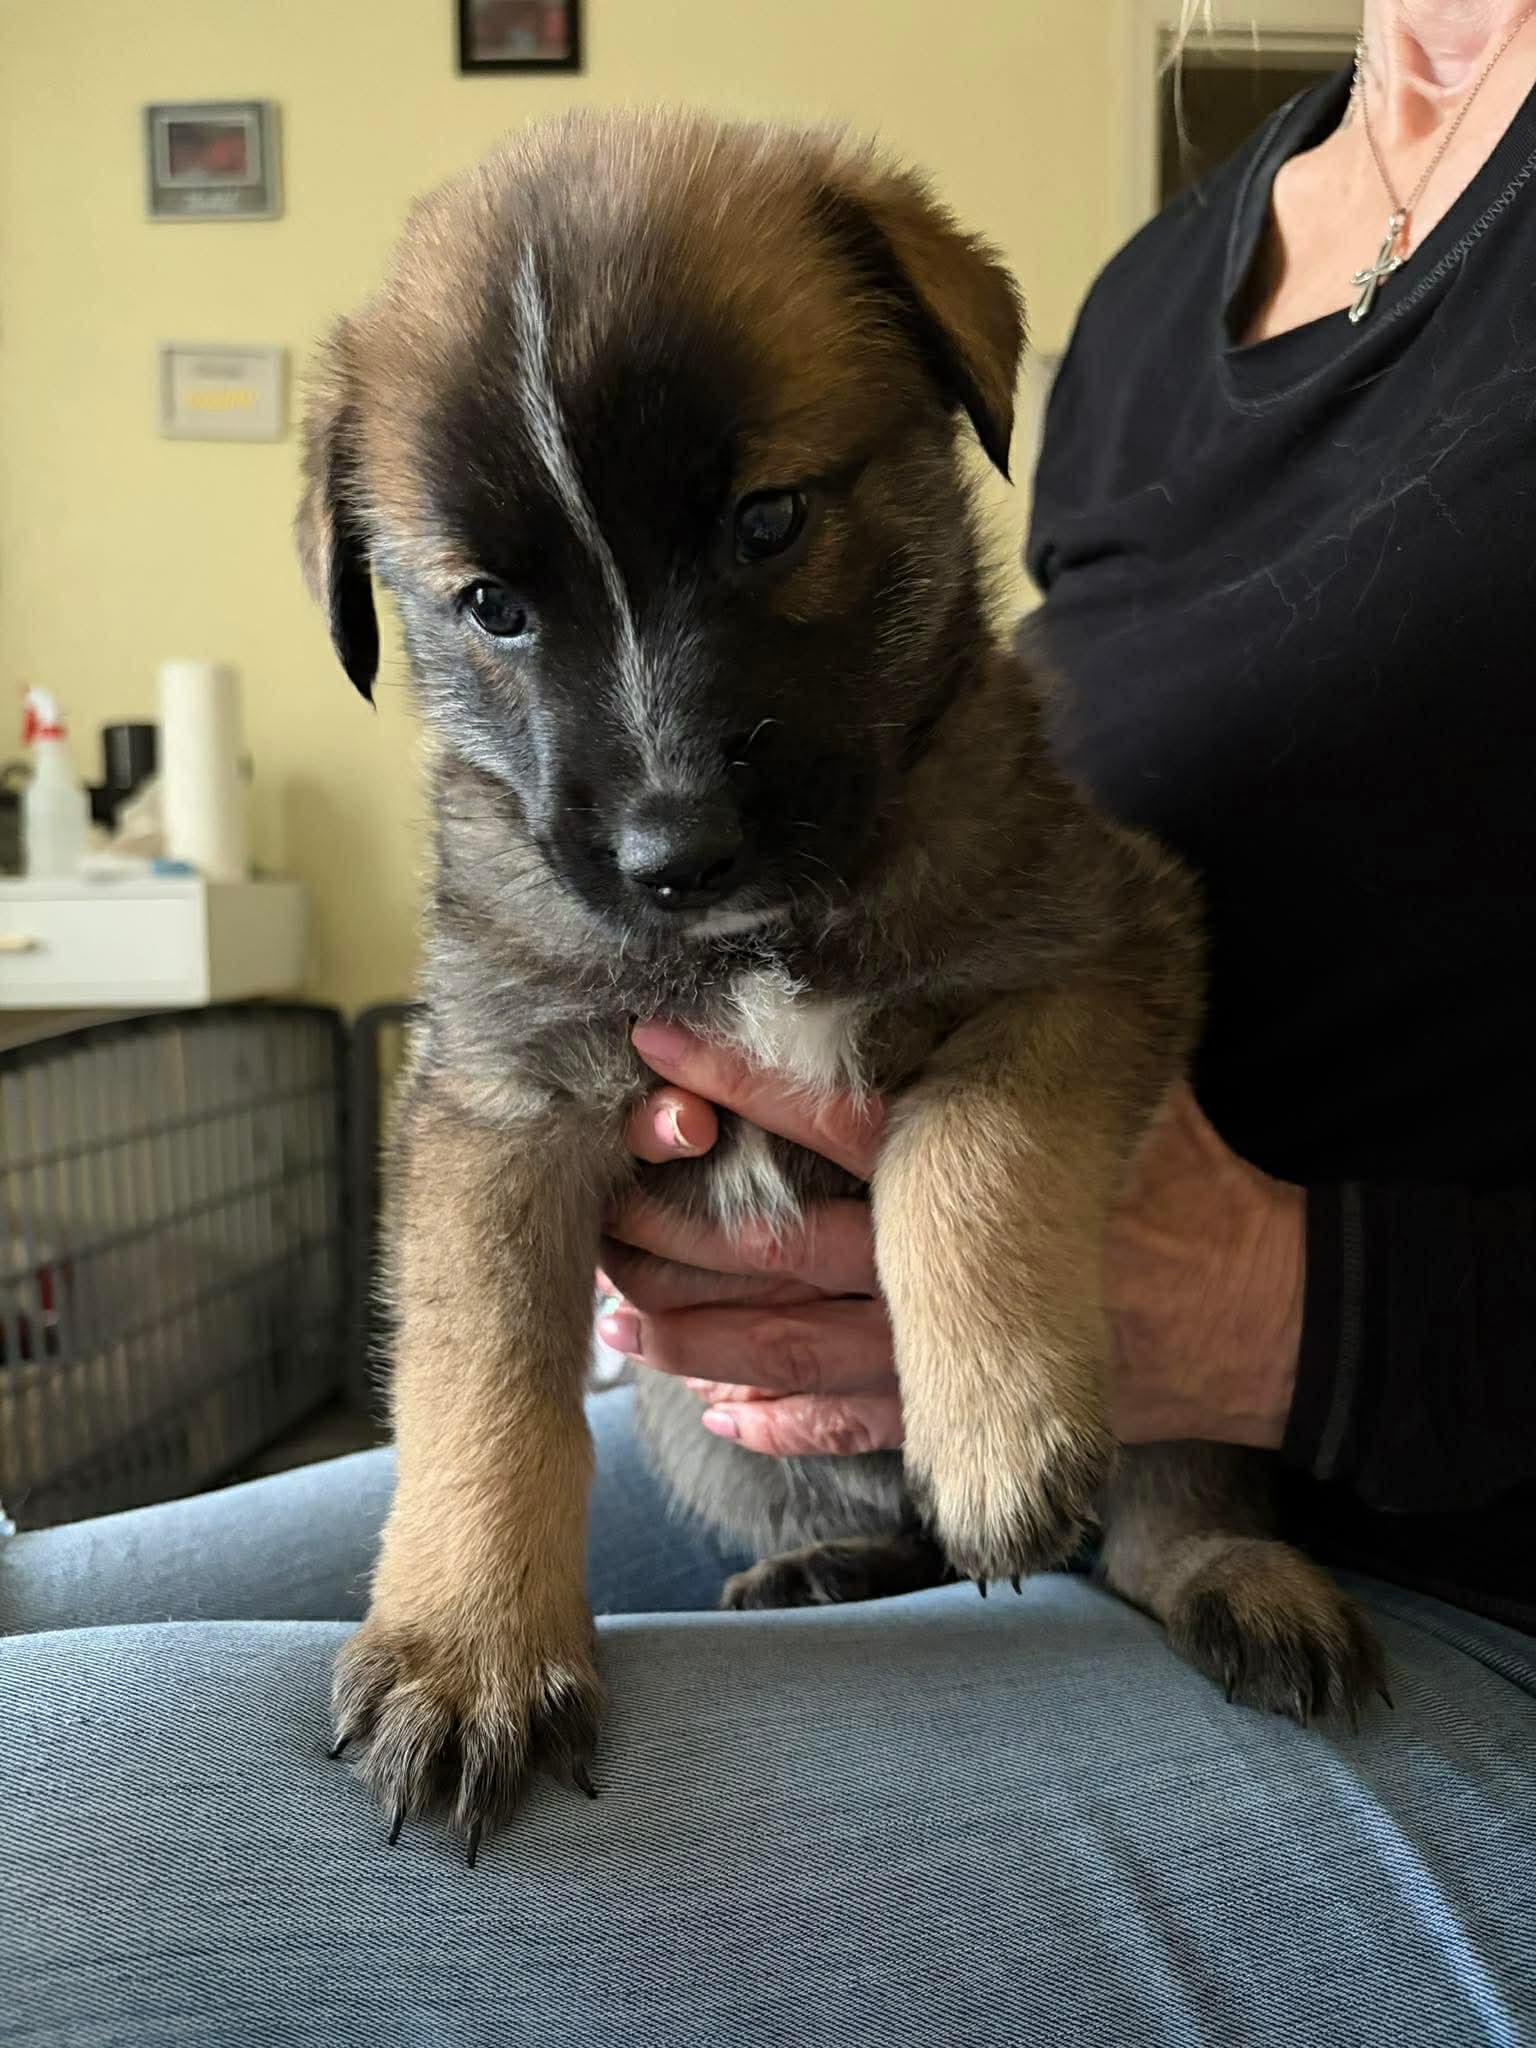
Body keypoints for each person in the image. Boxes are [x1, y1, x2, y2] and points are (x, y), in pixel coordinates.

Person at [4, 3, 1534, 2040]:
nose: (655, 787)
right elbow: (490, 1126)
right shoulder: (1179, 287)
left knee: (40, 1828)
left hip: (1434, 1552)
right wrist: (490, 1510)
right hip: (792, 1432)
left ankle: (1173, 1538)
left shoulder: (960, 705)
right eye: (502, 609)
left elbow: (1091, 963)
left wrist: (1284, 1314)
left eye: (763, 530)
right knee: (37, 1612)